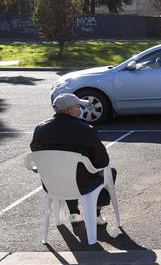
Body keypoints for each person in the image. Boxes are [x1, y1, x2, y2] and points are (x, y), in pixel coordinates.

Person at [30, 93, 116, 225]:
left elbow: (36, 153)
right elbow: (102, 162)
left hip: (51, 183)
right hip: (82, 184)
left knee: (64, 171)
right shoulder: (86, 129)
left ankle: (74, 212)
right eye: (78, 106)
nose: (80, 109)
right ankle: (96, 213)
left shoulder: (40, 129)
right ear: (70, 110)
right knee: (109, 172)